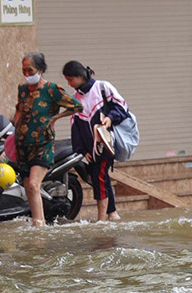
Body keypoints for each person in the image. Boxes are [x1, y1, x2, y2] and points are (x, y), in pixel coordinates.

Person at [14, 52, 79, 227]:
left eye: (30, 70)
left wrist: (54, 119)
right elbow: (18, 112)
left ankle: (39, 228)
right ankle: (39, 221)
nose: (27, 74)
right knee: (28, 186)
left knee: (34, 185)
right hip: (22, 145)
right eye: (24, 70)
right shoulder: (22, 90)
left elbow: (76, 106)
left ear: (41, 70)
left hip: (42, 144)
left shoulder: (51, 90)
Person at [63, 61, 128, 222]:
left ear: (79, 76)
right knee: (99, 177)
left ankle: (102, 219)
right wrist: (82, 150)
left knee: (99, 177)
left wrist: (110, 118)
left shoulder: (103, 87)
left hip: (105, 144)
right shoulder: (76, 98)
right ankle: (112, 213)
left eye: (70, 79)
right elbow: (75, 127)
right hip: (90, 150)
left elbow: (122, 107)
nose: (68, 83)